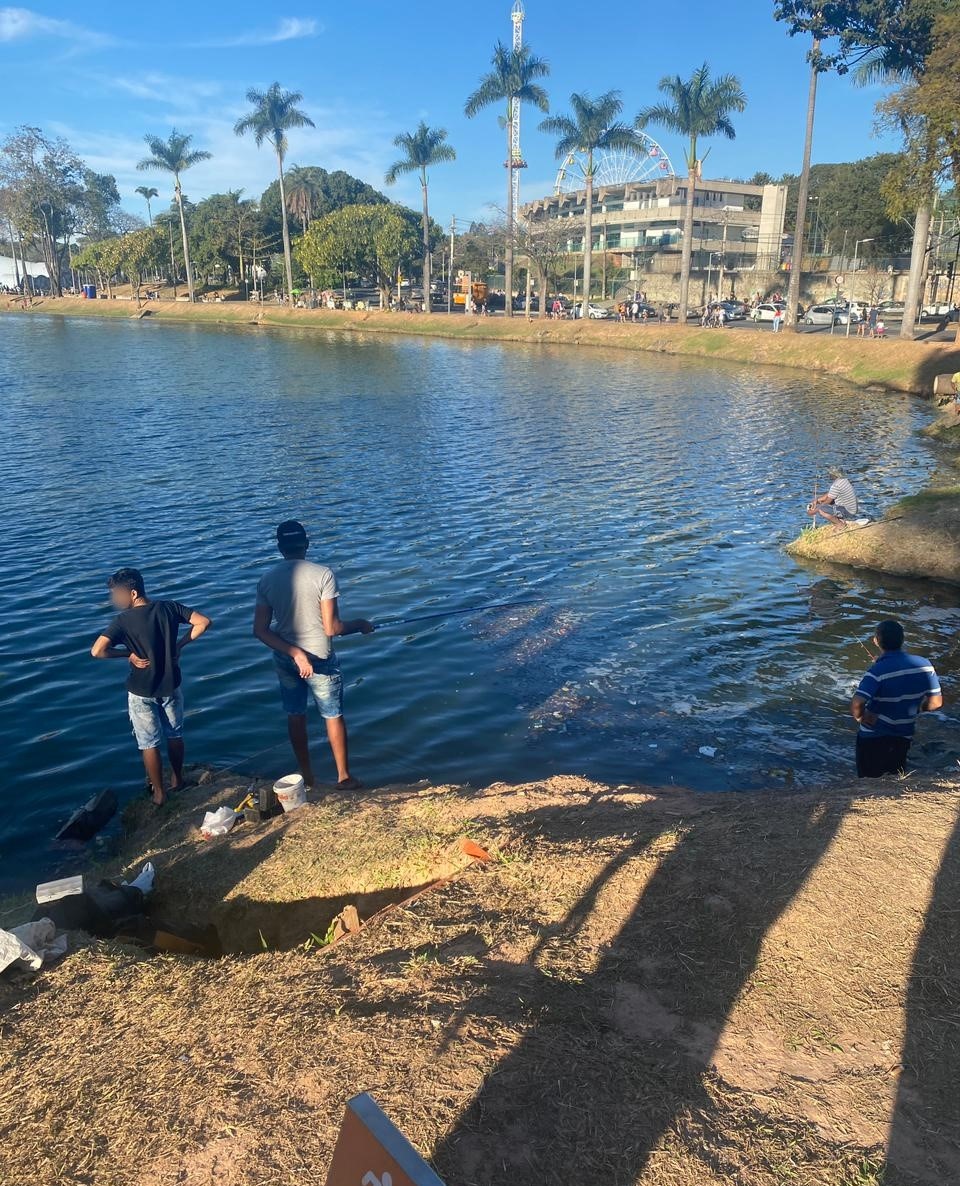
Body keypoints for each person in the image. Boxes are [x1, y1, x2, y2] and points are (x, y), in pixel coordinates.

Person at [254, 521, 374, 792]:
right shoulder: (323, 575)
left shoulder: (267, 579)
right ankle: (344, 777)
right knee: (333, 716)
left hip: (286, 658)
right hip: (319, 659)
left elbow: (260, 630)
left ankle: (307, 778)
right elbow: (333, 628)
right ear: (306, 544)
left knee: (295, 715)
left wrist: (294, 652)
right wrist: (361, 624)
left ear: (279, 547)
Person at [91, 568, 212, 805]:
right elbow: (203, 622)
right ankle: (178, 780)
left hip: (140, 690)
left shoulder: (122, 621)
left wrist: (127, 654)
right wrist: (180, 645)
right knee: (175, 735)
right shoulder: (169, 607)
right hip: (171, 685)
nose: (114, 600)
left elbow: (97, 651)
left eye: (116, 594)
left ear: (133, 593)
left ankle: (159, 793)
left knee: (149, 743)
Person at [850, 620, 942, 777]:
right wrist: (916, 708)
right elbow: (936, 703)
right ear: (902, 639)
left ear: (876, 641)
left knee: (868, 782)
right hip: (903, 735)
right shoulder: (925, 665)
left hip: (872, 737)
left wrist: (861, 717)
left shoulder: (876, 671)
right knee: (894, 777)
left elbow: (857, 702)